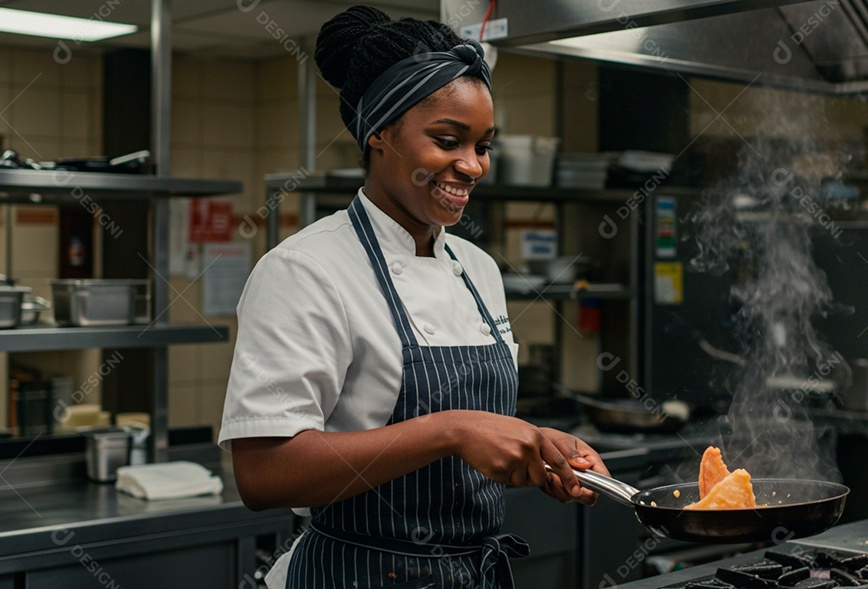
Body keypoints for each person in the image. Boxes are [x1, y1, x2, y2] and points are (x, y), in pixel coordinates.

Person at [218, 6, 609, 589]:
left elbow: (475, 438)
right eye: (448, 140)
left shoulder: (477, 268)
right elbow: (264, 474)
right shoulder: (306, 269)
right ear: (379, 132)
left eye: (483, 146)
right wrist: (451, 430)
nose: (472, 166)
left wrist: (535, 450)